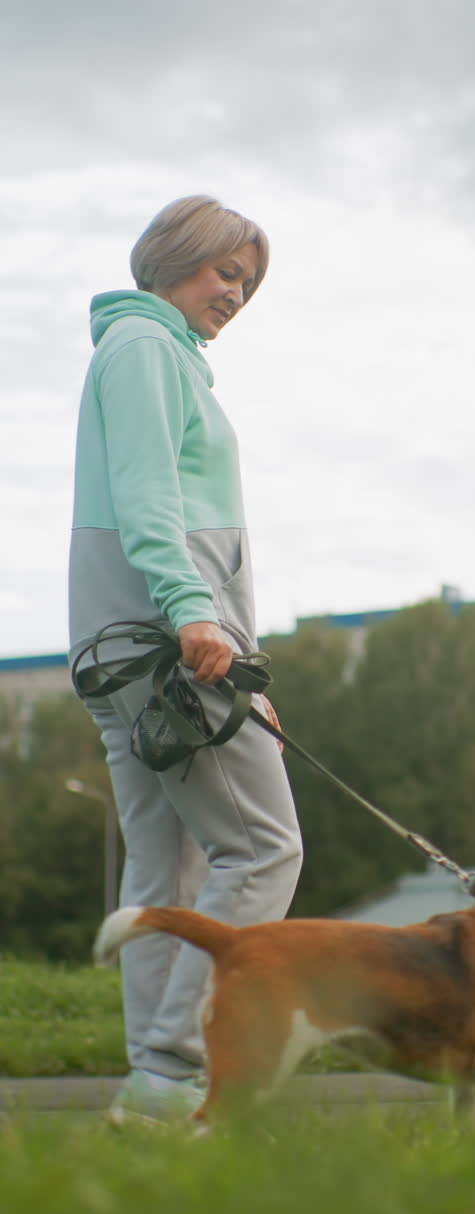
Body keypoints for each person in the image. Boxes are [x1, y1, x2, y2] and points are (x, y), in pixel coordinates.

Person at [68, 195, 303, 1124]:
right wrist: (196, 618)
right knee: (264, 848)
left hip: (148, 645)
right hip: (166, 645)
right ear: (173, 258)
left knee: (166, 876)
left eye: (247, 282)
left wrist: (241, 657)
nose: (236, 294)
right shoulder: (145, 350)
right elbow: (149, 498)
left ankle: (152, 1095)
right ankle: (177, 1067)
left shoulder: (155, 356)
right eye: (224, 273)